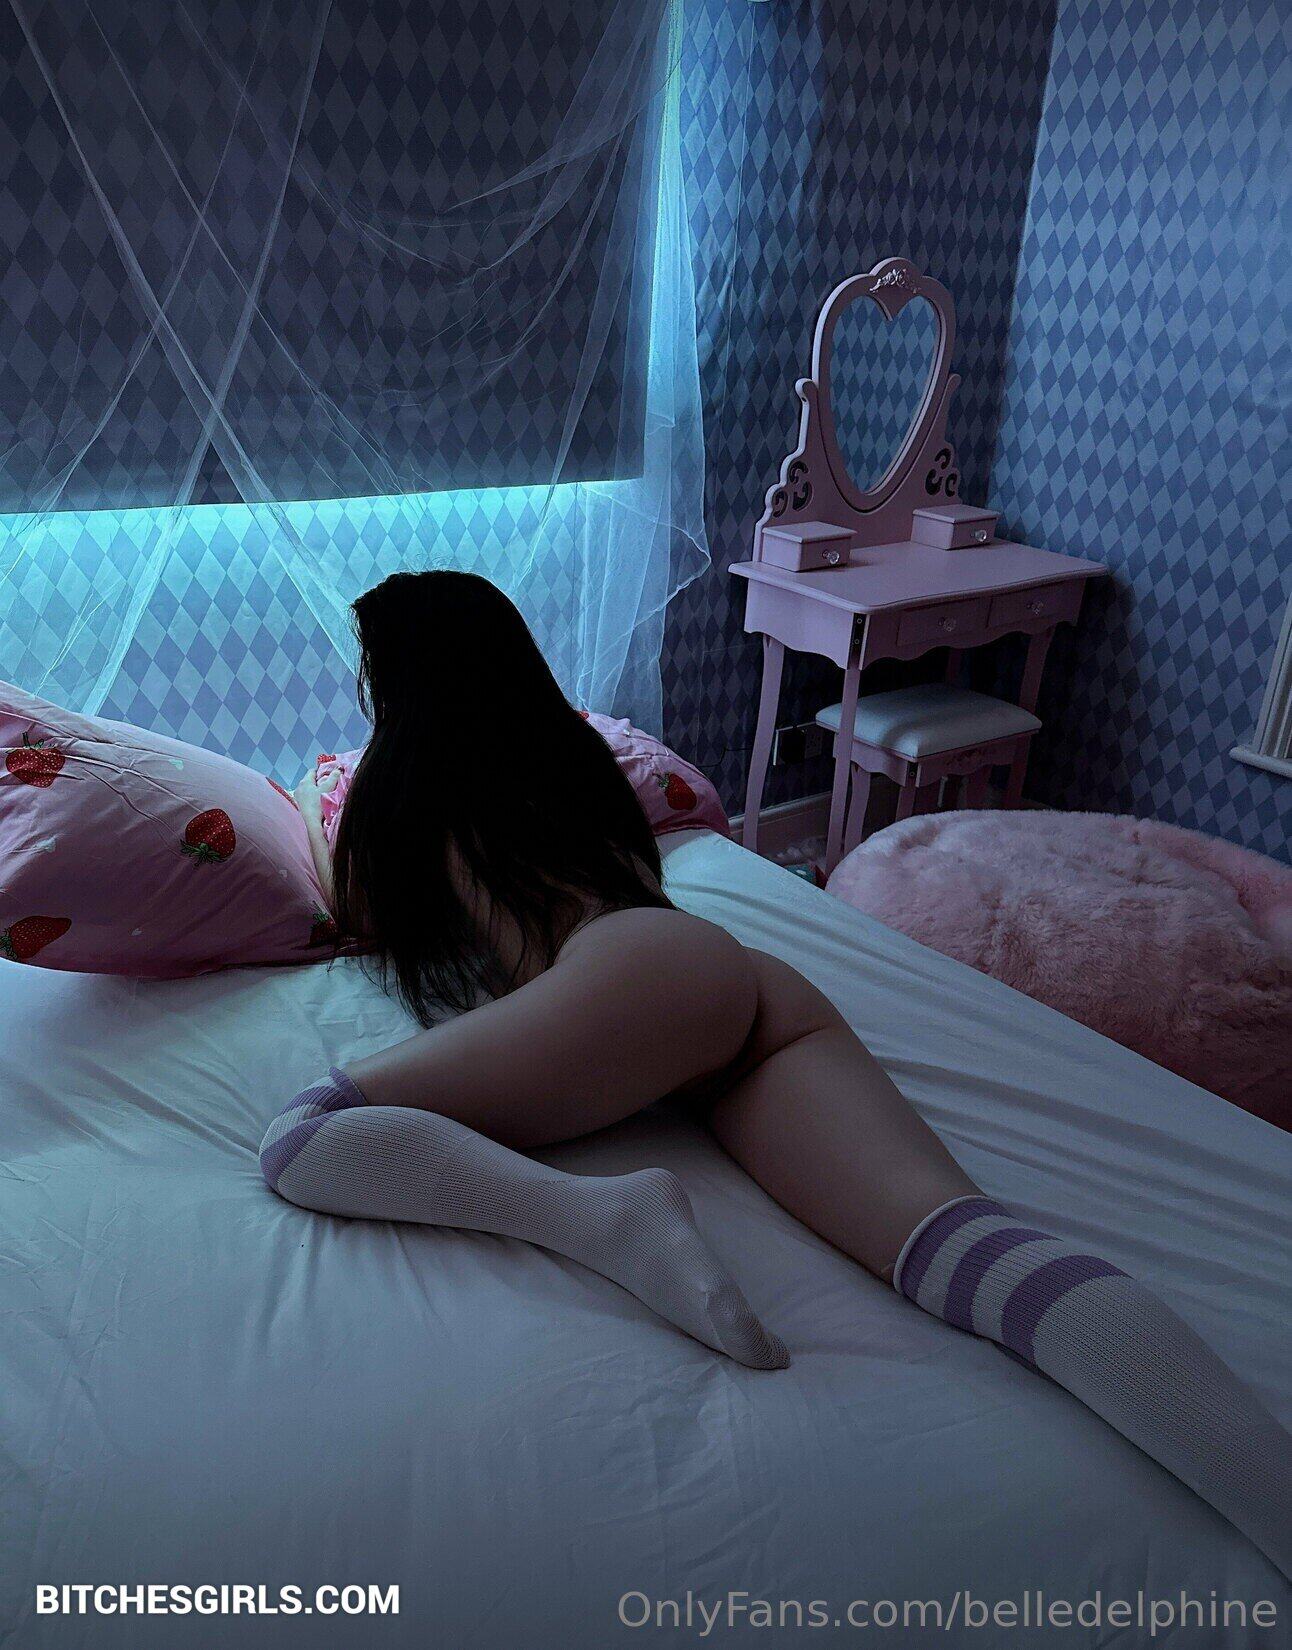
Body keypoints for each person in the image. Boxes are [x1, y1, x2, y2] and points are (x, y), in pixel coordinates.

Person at [260, 570, 1289, 1579]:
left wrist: (323, 795)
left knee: (304, 1137)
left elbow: (345, 905)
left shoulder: (409, 794)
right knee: (966, 1250)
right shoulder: (570, 757)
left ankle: (604, 1219)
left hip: (641, 981)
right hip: (734, 986)